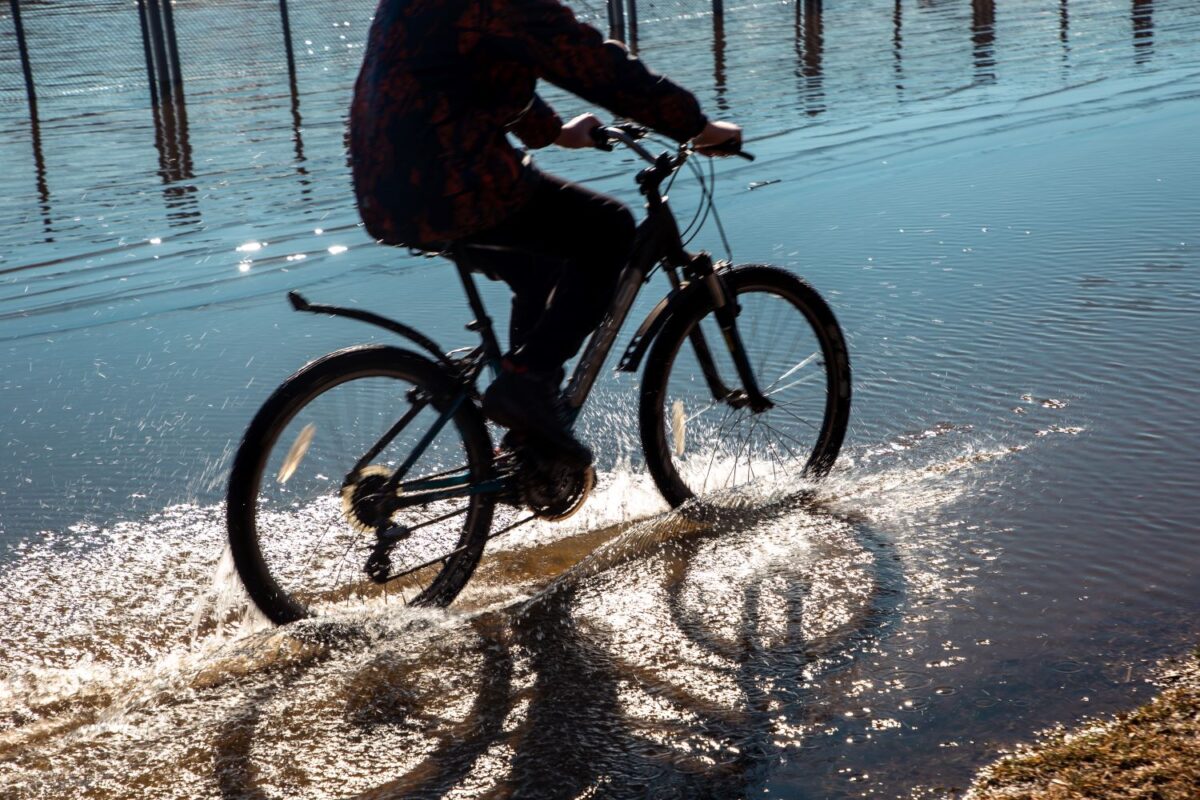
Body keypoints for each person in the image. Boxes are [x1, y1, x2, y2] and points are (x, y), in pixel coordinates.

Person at [349, 0, 742, 466]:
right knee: (608, 226)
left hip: (384, 191)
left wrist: (557, 133)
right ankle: (526, 384)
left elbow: (478, 73)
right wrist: (696, 127)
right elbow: (594, 65)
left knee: (545, 267)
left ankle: (528, 440)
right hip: (452, 183)